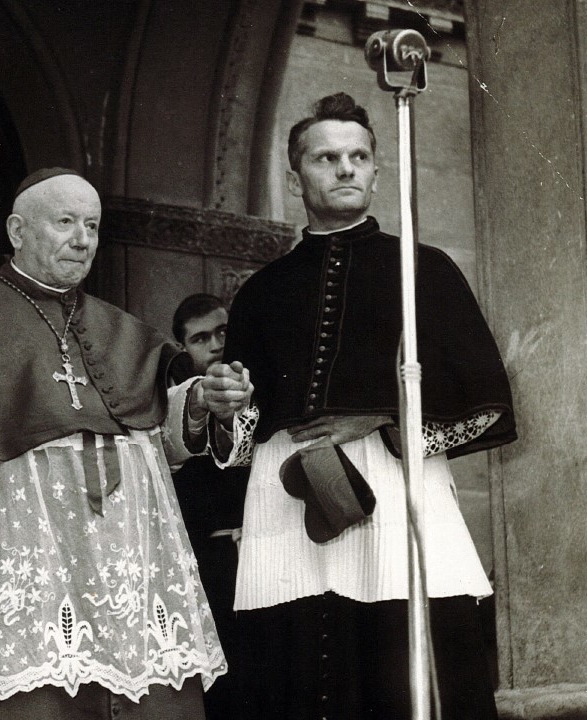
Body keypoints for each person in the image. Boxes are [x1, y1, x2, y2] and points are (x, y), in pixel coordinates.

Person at [219, 92, 517, 719]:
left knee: (401, 665)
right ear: (295, 175)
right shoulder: (259, 292)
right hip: (285, 494)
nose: (346, 168)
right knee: (295, 669)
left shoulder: (424, 272)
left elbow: (491, 404)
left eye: (359, 156)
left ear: (379, 169)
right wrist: (224, 409)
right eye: (327, 158)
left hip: (394, 479)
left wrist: (382, 418)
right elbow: (242, 439)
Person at [0, 168, 253, 720]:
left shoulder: (119, 327)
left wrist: (203, 402)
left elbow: (160, 434)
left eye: (92, 225)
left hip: (133, 559)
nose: (83, 239)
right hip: (35, 554)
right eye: (65, 222)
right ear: (17, 230)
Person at [169, 294, 249, 720]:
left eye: (223, 332)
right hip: (209, 565)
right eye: (201, 339)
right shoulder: (174, 407)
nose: (216, 344)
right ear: (183, 348)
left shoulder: (260, 386)